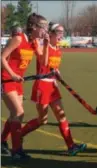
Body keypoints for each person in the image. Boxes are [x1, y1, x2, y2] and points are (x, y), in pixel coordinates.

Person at [19, 22, 87, 156]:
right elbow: (43, 63)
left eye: (63, 32)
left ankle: (71, 146)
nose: (62, 35)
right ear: (51, 34)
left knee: (61, 115)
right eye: (59, 32)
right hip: (42, 86)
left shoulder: (57, 49)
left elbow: (53, 67)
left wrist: (57, 72)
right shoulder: (43, 47)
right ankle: (19, 135)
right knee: (42, 120)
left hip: (52, 86)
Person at [1, 13, 48, 160]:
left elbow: (43, 61)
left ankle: (2, 141)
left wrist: (46, 45)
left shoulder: (34, 42)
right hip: (6, 79)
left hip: (18, 81)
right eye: (43, 27)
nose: (45, 30)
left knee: (15, 115)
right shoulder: (18, 38)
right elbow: (2, 57)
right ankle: (16, 150)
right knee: (19, 112)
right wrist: (12, 74)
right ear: (33, 27)